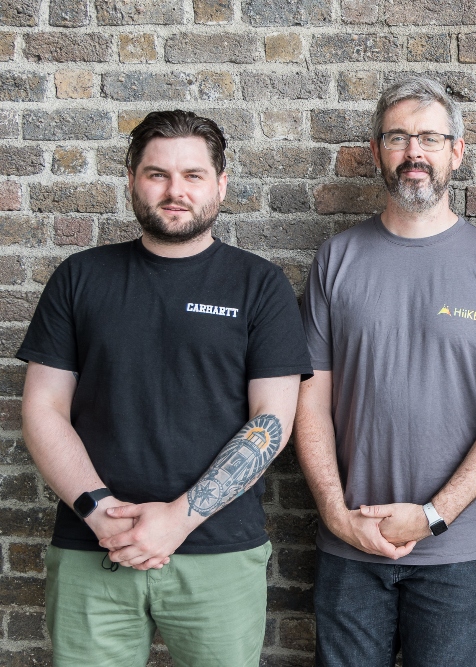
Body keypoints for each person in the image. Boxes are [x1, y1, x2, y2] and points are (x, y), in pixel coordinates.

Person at [17, 110, 313, 666]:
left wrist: (179, 518)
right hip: (92, 546)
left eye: (193, 175)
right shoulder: (80, 277)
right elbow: (43, 409)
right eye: (157, 174)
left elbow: (271, 422)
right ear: (132, 178)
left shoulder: (260, 285)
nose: (175, 191)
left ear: (221, 184)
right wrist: (99, 510)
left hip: (218, 554)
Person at [295, 76, 476, 667]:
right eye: (398, 137)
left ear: (457, 151)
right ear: (376, 152)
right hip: (350, 543)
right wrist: (334, 514)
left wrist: (432, 517)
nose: (413, 152)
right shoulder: (336, 259)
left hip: (455, 549)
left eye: (429, 137)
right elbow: (309, 403)